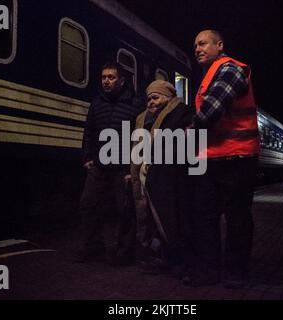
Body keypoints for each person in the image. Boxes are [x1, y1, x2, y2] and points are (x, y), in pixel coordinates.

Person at [185, 30, 260, 288]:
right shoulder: (209, 76)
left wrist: (188, 130)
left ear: (220, 45)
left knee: (236, 217)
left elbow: (211, 109)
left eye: (203, 43)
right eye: (195, 45)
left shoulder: (230, 69)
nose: (197, 48)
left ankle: (236, 273)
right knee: (204, 216)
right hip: (212, 158)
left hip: (237, 158)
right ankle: (209, 270)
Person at [76, 62, 143, 265]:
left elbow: (139, 136)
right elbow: (89, 131)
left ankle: (124, 253)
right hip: (99, 164)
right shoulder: (97, 103)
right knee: (88, 204)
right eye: (104, 77)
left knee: (124, 210)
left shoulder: (135, 103)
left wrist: (133, 166)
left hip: (122, 166)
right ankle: (92, 248)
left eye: (111, 77)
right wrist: (87, 157)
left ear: (121, 81)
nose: (106, 81)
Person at [131, 80, 193, 277]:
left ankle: (178, 262)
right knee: (155, 221)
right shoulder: (144, 119)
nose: (151, 102)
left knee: (171, 219)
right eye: (149, 98)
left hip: (171, 177)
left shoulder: (180, 113)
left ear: (167, 98)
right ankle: (164, 259)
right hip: (149, 176)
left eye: (156, 97)